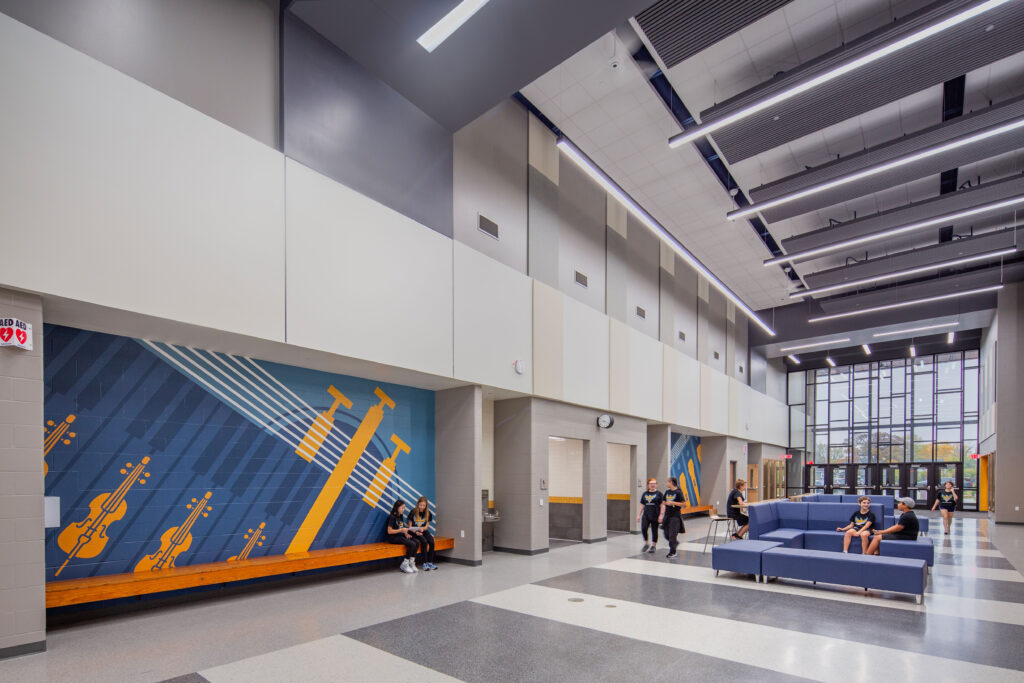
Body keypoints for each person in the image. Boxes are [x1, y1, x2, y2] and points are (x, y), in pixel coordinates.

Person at [385, 499, 419, 573]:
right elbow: (389, 531)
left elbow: (402, 527)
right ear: (397, 508)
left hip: (401, 536)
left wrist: (406, 533)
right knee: (412, 544)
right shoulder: (392, 517)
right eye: (402, 508)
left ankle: (411, 563)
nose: (403, 510)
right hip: (393, 538)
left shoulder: (400, 516)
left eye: (404, 508)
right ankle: (405, 564)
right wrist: (400, 531)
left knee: (416, 542)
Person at [408, 495, 437, 570]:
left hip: (423, 530)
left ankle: (430, 562)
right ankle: (425, 563)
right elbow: (410, 527)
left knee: (431, 541)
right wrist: (417, 531)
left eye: (424, 505)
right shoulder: (413, 512)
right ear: (418, 504)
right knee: (424, 541)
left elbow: (426, 527)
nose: (422, 507)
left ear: (426, 505)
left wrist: (421, 529)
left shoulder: (428, 513)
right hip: (414, 531)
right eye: (420, 505)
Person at [660, 477, 686, 559]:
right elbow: (663, 501)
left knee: (672, 535)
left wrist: (673, 503)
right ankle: (675, 543)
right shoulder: (667, 492)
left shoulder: (678, 492)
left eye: (667, 482)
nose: (666, 484)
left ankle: (672, 552)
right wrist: (665, 503)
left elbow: (684, 504)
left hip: (675, 516)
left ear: (671, 482)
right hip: (667, 515)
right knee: (666, 534)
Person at [635, 478, 663, 554]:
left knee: (654, 531)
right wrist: (638, 515)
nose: (653, 485)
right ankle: (646, 544)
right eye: (651, 483)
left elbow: (662, 505)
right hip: (646, 515)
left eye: (654, 483)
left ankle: (653, 546)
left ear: (656, 484)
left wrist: (661, 515)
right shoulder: (645, 494)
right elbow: (642, 505)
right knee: (644, 528)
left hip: (655, 515)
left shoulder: (659, 494)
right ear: (648, 485)